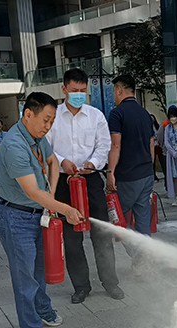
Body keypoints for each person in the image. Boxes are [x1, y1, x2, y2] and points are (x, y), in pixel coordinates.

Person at [0, 92, 84, 328]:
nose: (48, 126)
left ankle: (43, 310)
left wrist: (51, 197)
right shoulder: (14, 145)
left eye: (52, 121)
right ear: (28, 114)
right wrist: (64, 208)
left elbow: (53, 161)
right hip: (16, 217)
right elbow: (32, 192)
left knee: (39, 272)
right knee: (25, 280)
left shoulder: (36, 138)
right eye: (45, 119)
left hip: (37, 214)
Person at [45, 68, 124, 304]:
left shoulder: (95, 115)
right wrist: (62, 161)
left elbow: (104, 146)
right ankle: (81, 286)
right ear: (64, 89)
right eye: (74, 90)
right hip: (63, 182)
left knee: (101, 234)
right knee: (72, 238)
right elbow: (45, 146)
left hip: (90, 180)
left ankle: (110, 282)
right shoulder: (53, 116)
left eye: (82, 90)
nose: (79, 94)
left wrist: (94, 163)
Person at [106, 75, 155, 247]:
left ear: (119, 90)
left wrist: (110, 173)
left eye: (114, 91)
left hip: (128, 176)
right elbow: (151, 144)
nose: (113, 95)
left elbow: (115, 145)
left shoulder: (117, 114)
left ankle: (136, 253)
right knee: (143, 221)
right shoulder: (145, 114)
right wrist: (150, 168)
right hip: (146, 174)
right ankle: (145, 257)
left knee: (113, 216)